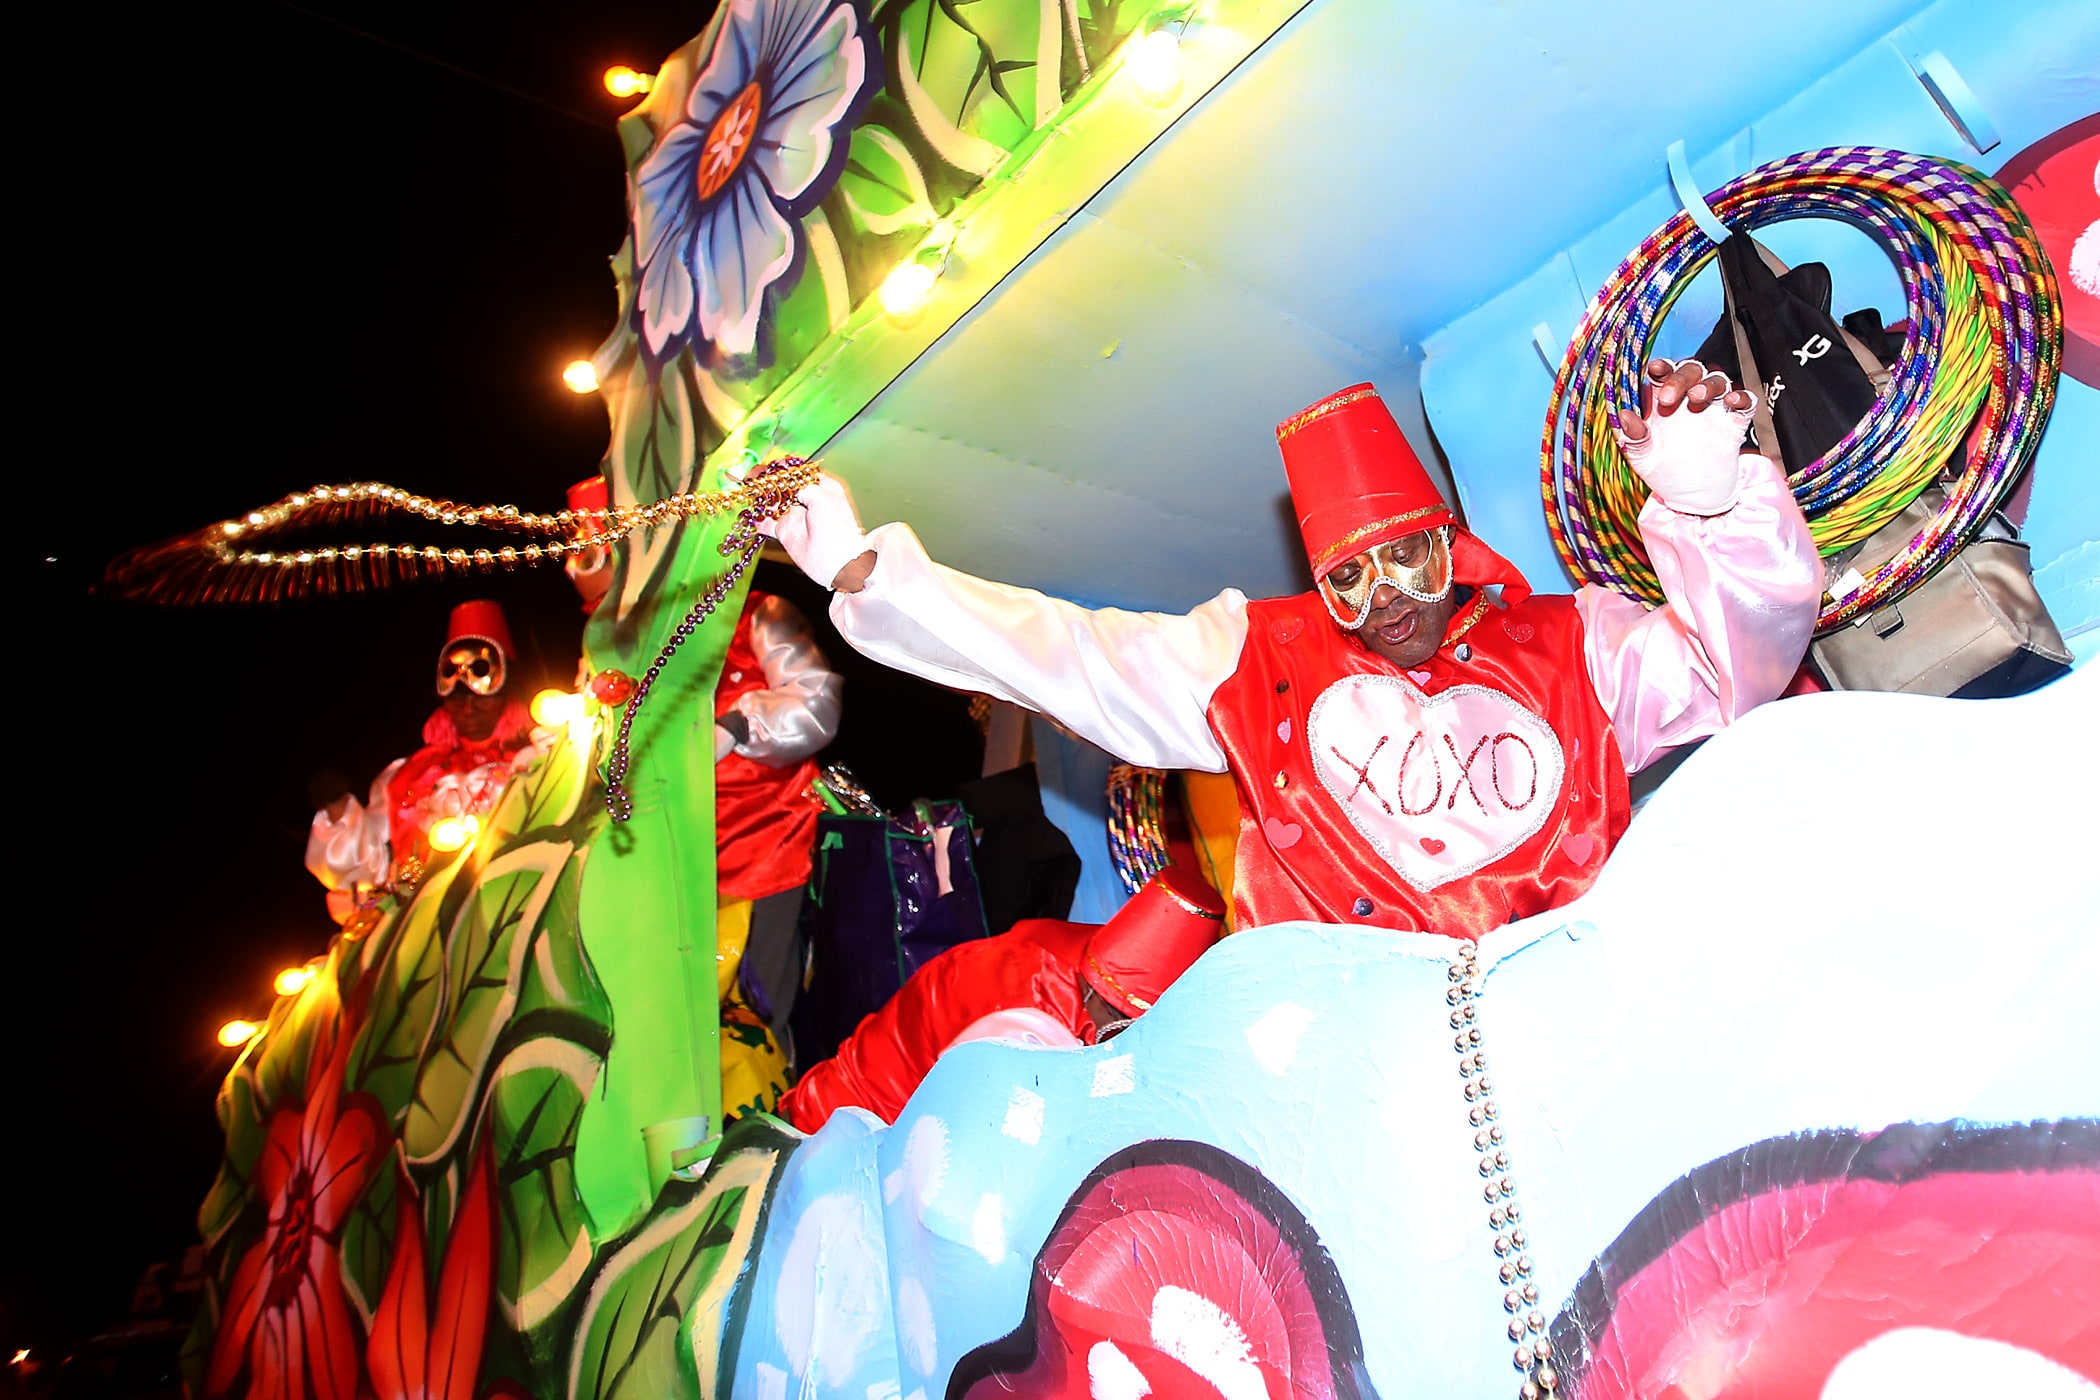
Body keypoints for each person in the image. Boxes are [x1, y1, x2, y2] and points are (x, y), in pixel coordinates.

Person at [762, 361, 1822, 937]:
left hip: (1575, 1008)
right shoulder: (1257, 659)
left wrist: (1716, 506)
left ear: (1447, 544)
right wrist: (866, 571)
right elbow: (1068, 654)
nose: (1386, 600)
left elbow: (1735, 674)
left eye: (1406, 559)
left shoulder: (1569, 640)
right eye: (1348, 578)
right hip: (1364, 1062)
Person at [778, 867, 1226, 1133]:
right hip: (846, 1137)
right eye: (1122, 1020)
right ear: (1095, 991)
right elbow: (994, 1142)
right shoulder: (1027, 1023)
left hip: (859, 1104)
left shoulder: (1103, 953)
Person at [305, 600, 551, 919]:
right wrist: (337, 809)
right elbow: (368, 870)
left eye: (481, 698)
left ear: (506, 694)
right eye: (457, 698)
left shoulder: (539, 755)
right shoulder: (410, 774)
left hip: (527, 904)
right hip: (434, 922)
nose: (467, 709)